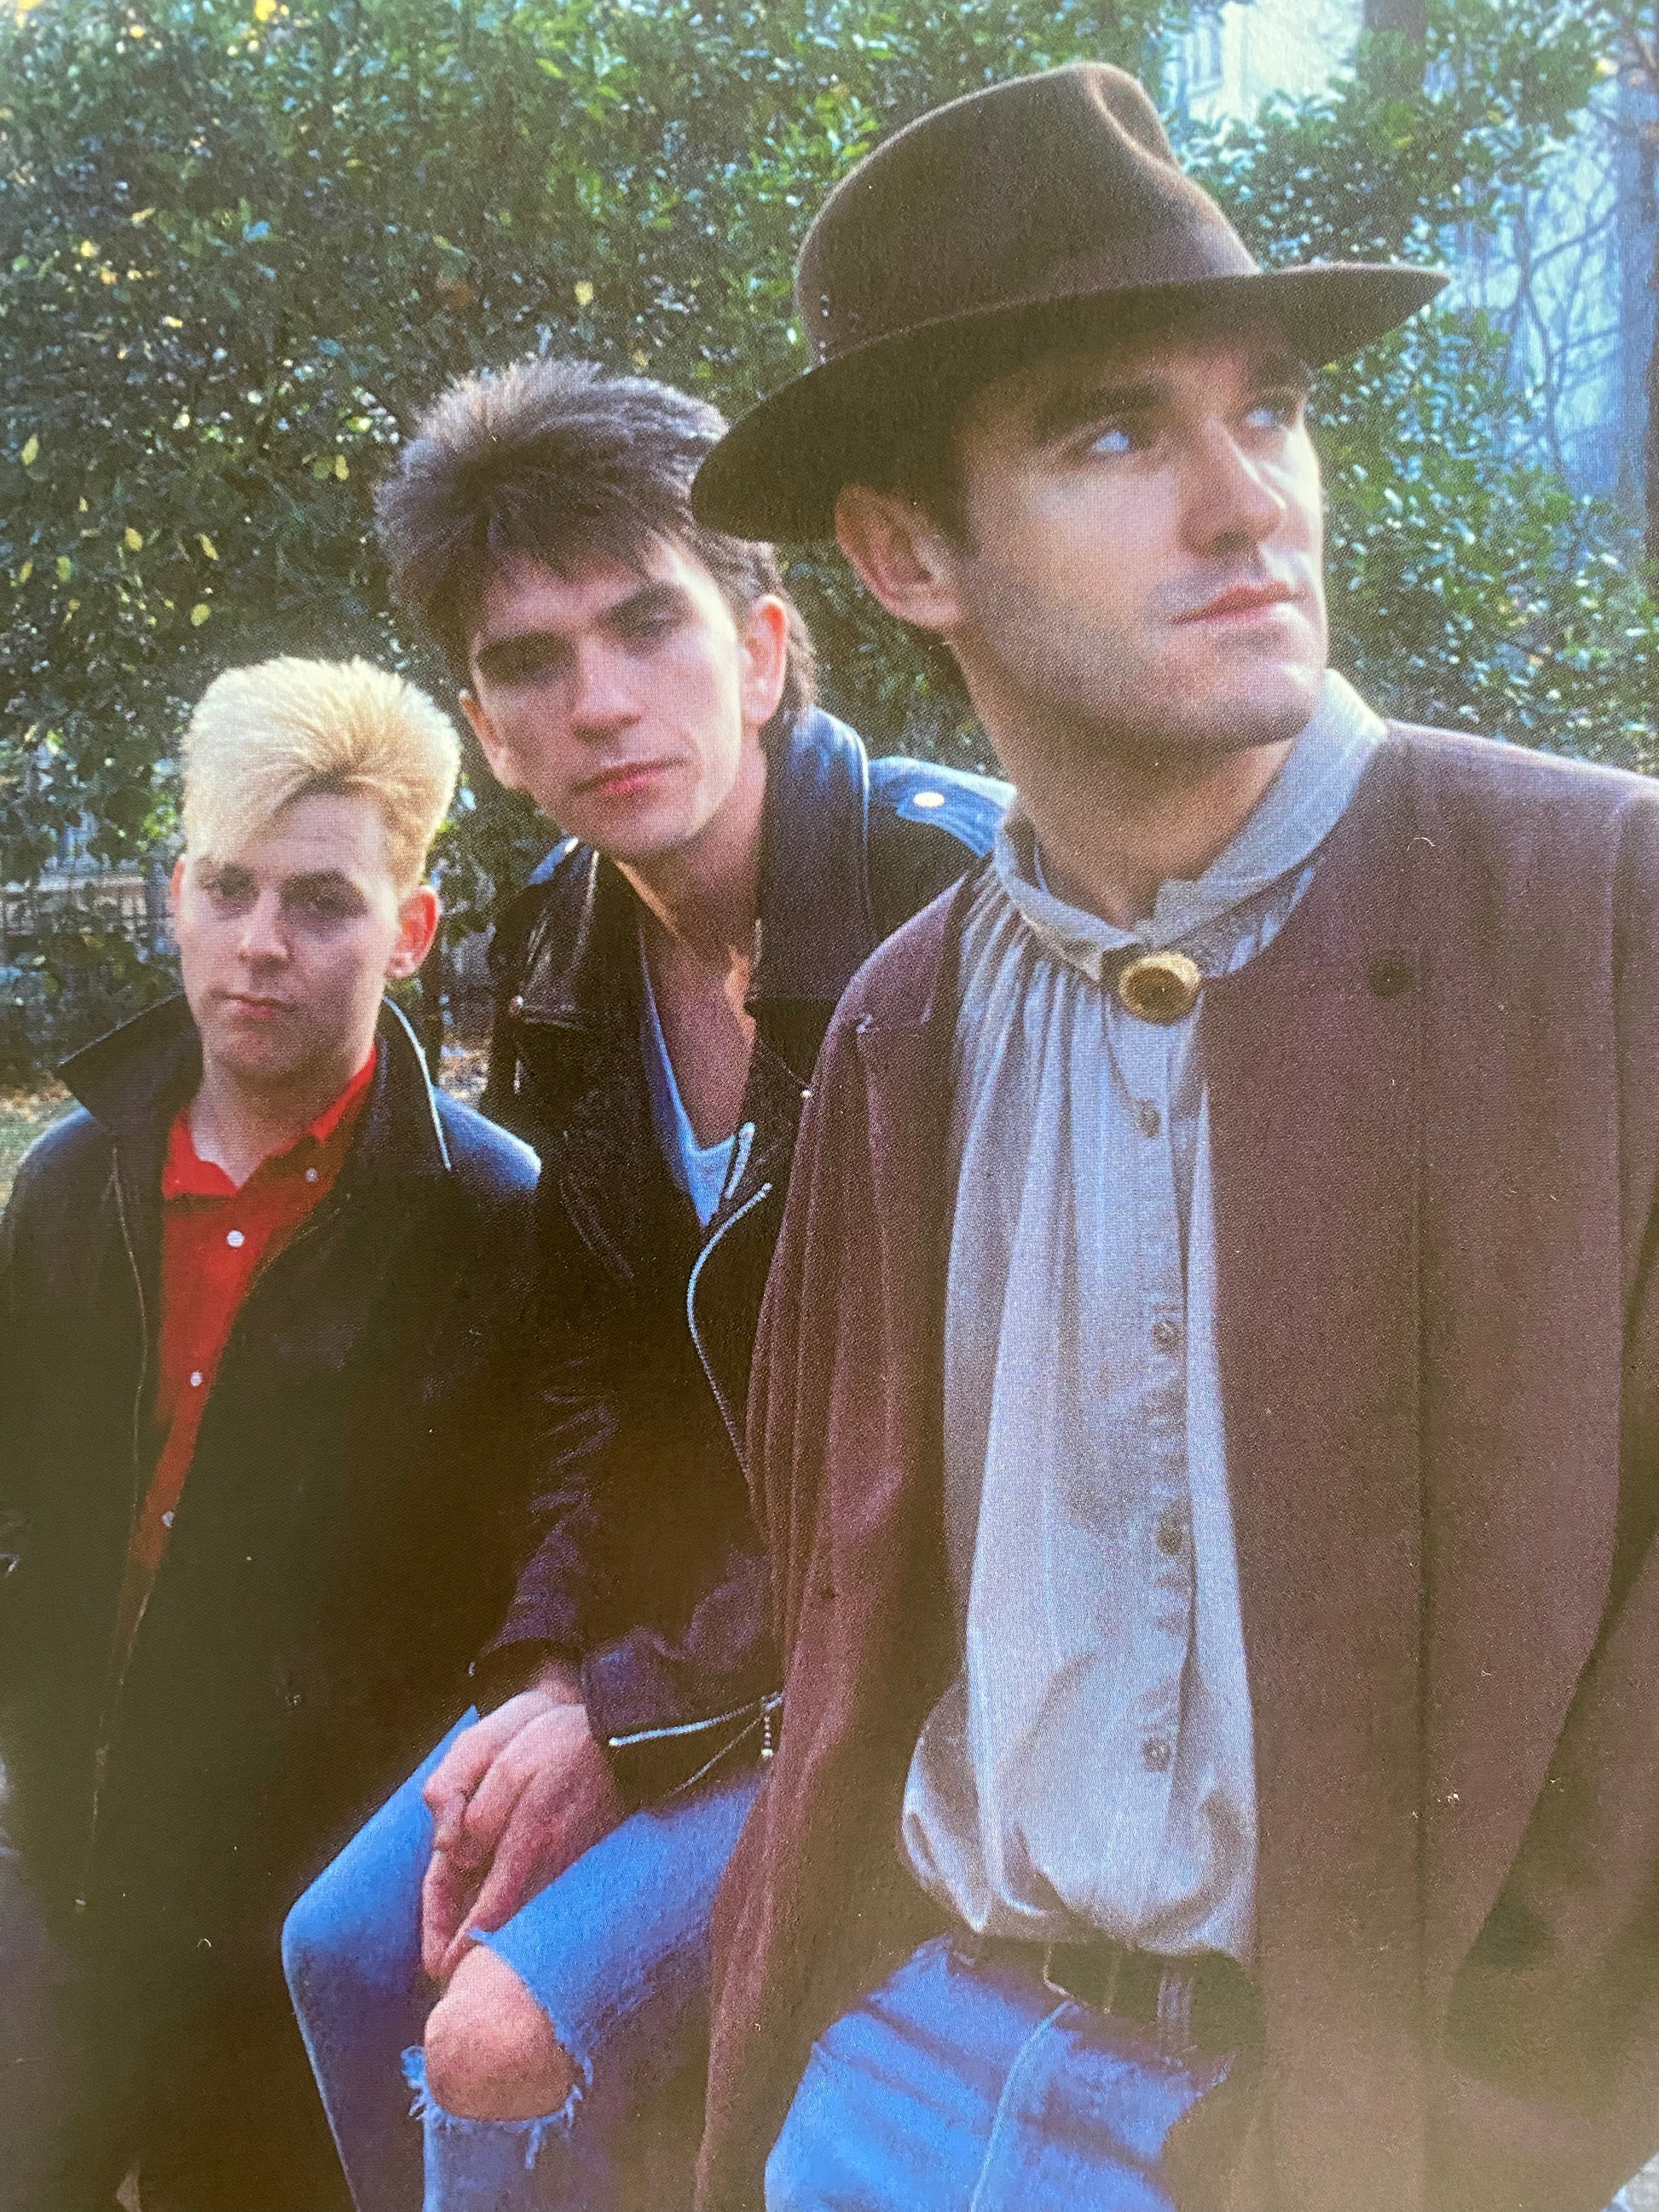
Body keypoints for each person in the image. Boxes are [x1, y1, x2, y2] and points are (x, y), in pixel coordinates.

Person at [688, 61, 1659, 2212]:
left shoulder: (1602, 913)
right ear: (904, 551)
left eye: (1271, 408)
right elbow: (840, 1600)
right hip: (907, 2088)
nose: (1246, 503)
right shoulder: (901, 1026)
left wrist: (1506, 2126)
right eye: (1114, 433)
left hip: (1357, 2138)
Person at [280, 357, 1006, 2212]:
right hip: (704, 1646)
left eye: (646, 624)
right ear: (487, 728)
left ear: (760, 647)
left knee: (496, 2032)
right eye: (528, 663)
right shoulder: (559, 947)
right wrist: (540, 1666)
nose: (598, 700)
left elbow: (968, 1460)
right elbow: (594, 1378)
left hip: (932, 1666)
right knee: (345, 1948)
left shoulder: (956, 897)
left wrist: (624, 1715)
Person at [0, 656, 542, 2211]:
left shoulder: (490, 1222)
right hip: (61, 1870)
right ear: (175, 896)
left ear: (410, 930)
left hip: (302, 1940)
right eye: (229, 888)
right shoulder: (71, 1186)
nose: (260, 943)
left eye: (321, 903)